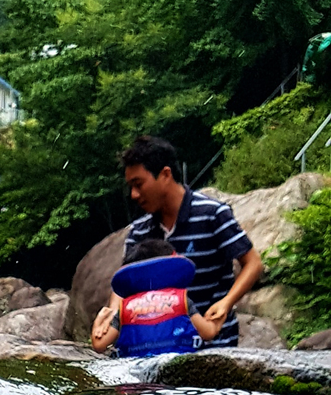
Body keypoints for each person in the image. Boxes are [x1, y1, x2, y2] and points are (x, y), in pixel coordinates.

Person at [94, 135, 264, 348]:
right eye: (130, 186)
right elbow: (125, 285)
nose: (134, 195)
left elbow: (253, 264)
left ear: (165, 174)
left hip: (213, 347)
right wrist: (111, 316)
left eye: (138, 184)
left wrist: (226, 303)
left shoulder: (212, 214)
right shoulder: (139, 231)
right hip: (157, 348)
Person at [92, 239, 223, 356]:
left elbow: (99, 345)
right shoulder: (181, 300)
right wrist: (218, 320)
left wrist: (98, 324)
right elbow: (207, 333)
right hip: (177, 366)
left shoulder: (125, 308)